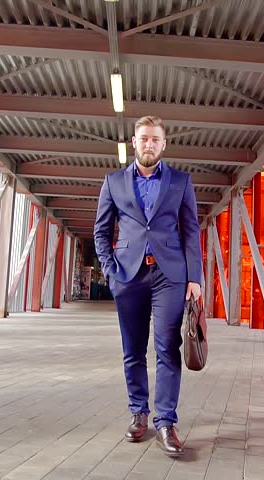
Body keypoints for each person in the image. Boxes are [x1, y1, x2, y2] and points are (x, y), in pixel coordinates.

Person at [93, 116, 203, 457]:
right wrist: (111, 272)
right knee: (133, 350)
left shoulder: (180, 182)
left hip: (169, 277)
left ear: (163, 144)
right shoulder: (113, 182)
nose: (149, 144)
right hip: (128, 276)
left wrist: (195, 278)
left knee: (168, 348)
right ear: (134, 142)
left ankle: (166, 421)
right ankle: (139, 414)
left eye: (155, 139)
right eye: (144, 139)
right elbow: (101, 232)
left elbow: (190, 231)